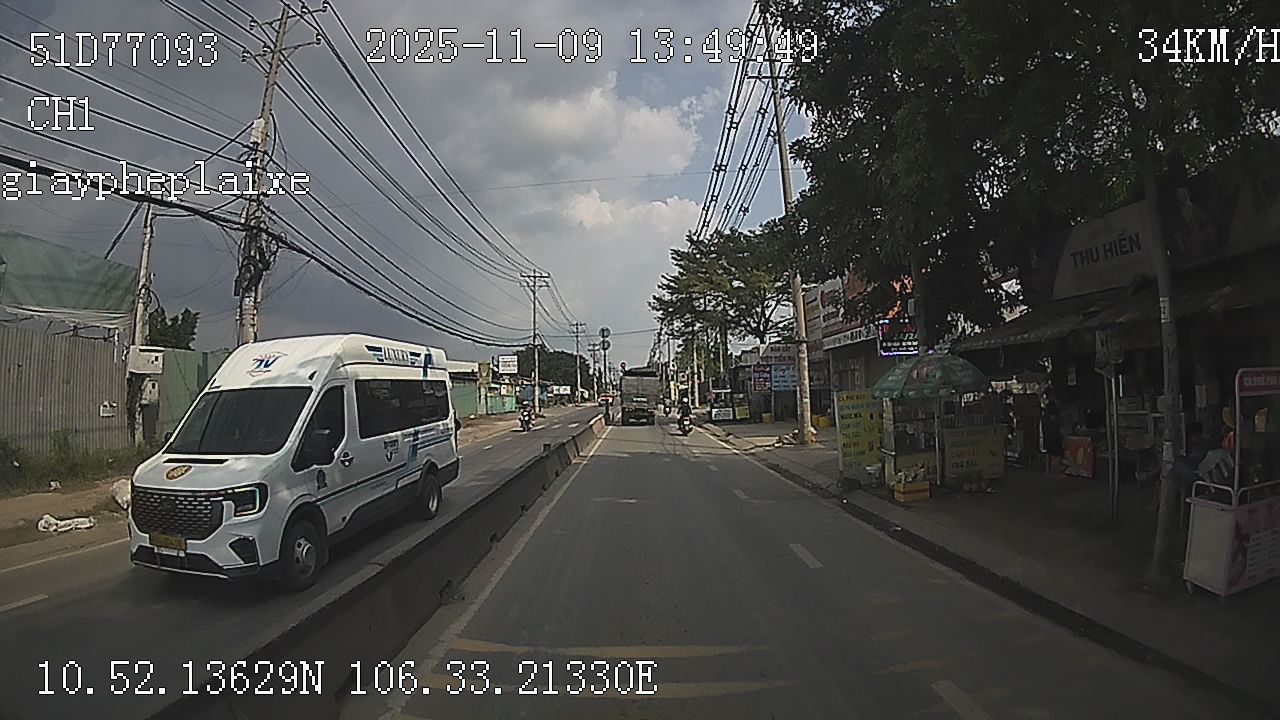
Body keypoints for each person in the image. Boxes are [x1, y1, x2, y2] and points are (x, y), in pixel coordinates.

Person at [1041, 390, 1063, 474]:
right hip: (1053, 431)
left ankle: (1048, 469)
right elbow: (1053, 417)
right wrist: (1060, 419)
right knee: (1056, 452)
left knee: (1049, 451)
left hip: (1048, 431)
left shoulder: (1047, 406)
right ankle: (1056, 470)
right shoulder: (1052, 406)